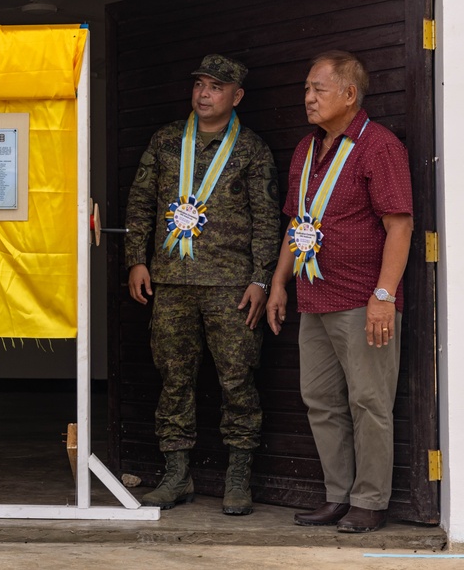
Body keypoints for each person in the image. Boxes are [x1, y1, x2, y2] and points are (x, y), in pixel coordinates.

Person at [124, 54, 279, 515]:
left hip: (230, 287)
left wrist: (260, 278)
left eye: (216, 87)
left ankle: (238, 477)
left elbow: (268, 220)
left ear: (237, 96)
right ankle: (176, 475)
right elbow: (140, 202)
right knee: (173, 379)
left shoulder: (251, 149)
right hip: (170, 282)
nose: (204, 94)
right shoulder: (168, 140)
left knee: (237, 382)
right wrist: (136, 260)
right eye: (199, 85)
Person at [267, 51, 412, 534]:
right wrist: (279, 283)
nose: (308, 98)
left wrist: (384, 295)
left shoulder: (379, 147)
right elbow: (296, 223)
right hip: (314, 299)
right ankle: (338, 496)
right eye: (306, 89)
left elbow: (399, 226)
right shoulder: (307, 150)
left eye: (318, 89)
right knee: (321, 400)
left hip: (362, 302)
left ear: (349, 95)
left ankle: (370, 502)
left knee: (369, 402)